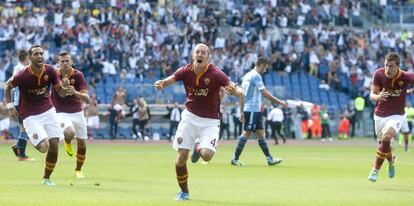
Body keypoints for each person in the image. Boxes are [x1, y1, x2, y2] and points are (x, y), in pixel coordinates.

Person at [154, 43, 243, 201]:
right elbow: (172, 79)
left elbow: (235, 88)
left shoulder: (216, 73)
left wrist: (237, 92)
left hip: (210, 120)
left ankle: (197, 147)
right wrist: (162, 83)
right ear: (193, 55)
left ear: (208, 57)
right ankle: (184, 192)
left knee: (207, 156)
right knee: (181, 158)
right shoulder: (185, 71)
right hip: (189, 117)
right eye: (198, 52)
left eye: (203, 52)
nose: (200, 55)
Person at [4, 45, 70, 186]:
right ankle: (32, 139)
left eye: (41, 53)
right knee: (44, 147)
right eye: (36, 54)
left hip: (48, 111)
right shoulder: (22, 74)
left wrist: (65, 87)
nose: (40, 56)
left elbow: (61, 93)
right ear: (29, 57)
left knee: (54, 144)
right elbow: (7, 87)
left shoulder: (50, 71)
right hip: (29, 114)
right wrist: (10, 106)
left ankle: (46, 178)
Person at [231, 57, 288, 167]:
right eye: (265, 67)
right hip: (252, 109)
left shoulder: (247, 76)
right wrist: (280, 102)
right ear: (261, 65)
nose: (265, 70)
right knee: (247, 133)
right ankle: (235, 158)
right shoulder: (256, 76)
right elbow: (264, 93)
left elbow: (241, 95)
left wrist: (242, 111)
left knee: (261, 134)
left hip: (252, 110)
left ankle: (269, 159)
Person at [367, 53, 414, 182]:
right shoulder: (379, 74)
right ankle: (391, 161)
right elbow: (372, 94)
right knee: (384, 145)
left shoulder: (406, 77)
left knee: (387, 137)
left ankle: (375, 170)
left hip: (397, 115)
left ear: (398, 67)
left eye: (391, 66)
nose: (388, 69)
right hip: (379, 115)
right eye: (386, 65)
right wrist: (378, 97)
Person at [51, 51, 90, 179]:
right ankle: (67, 140)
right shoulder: (54, 75)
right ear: (58, 63)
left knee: (82, 143)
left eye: (67, 61)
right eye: (62, 61)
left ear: (72, 61)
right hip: (60, 112)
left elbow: (87, 98)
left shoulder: (78, 75)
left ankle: (78, 170)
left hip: (77, 112)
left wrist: (75, 92)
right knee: (69, 132)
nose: (65, 63)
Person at [10, 50, 35, 161]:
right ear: (27, 58)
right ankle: (21, 154)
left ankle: (19, 147)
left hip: (18, 101)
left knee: (24, 127)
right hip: (22, 102)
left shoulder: (17, 68)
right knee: (25, 127)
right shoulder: (22, 69)